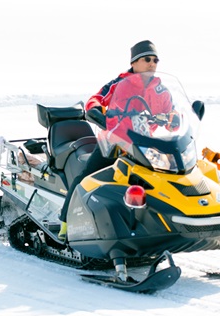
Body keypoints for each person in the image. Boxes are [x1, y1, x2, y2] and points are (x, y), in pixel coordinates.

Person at [58, 40, 162, 241]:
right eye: (147, 59)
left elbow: (171, 111)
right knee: (87, 178)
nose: (152, 64)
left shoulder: (160, 89)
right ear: (134, 63)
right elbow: (96, 98)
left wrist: (177, 118)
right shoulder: (119, 84)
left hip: (144, 145)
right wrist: (95, 110)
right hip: (115, 143)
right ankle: (65, 223)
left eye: (155, 60)